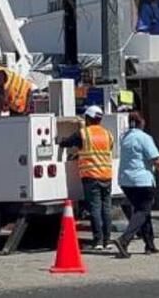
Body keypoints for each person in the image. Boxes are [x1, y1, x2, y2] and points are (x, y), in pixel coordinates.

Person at [112, 112, 159, 259]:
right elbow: (156, 160)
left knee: (142, 211)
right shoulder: (144, 138)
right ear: (141, 123)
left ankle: (150, 244)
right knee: (142, 211)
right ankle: (124, 240)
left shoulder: (125, 138)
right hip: (142, 181)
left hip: (125, 181)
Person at [58, 105, 114, 250]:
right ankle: (107, 240)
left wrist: (58, 140)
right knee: (106, 209)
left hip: (91, 176)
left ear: (88, 118)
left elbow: (66, 143)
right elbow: (104, 150)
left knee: (95, 208)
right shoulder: (108, 133)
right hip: (106, 175)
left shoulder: (83, 133)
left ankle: (98, 241)